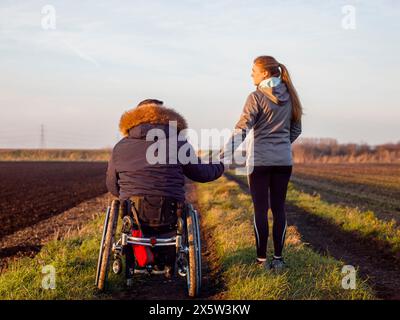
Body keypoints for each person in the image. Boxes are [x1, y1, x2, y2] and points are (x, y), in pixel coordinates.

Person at [106, 99, 224, 277]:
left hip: (134, 213)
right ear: (165, 116)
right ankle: (169, 260)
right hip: (169, 213)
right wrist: (220, 165)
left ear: (134, 119)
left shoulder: (120, 147)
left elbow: (112, 186)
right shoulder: (179, 143)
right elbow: (202, 174)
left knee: (125, 206)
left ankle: (137, 258)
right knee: (179, 214)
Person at [225, 56, 303, 271]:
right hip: (283, 161)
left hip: (259, 161)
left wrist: (225, 153)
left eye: (254, 70)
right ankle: (278, 259)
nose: (251, 74)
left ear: (265, 74)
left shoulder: (256, 97)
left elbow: (243, 128)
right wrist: (280, 146)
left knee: (260, 210)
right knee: (279, 209)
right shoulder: (292, 96)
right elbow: (296, 130)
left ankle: (261, 261)